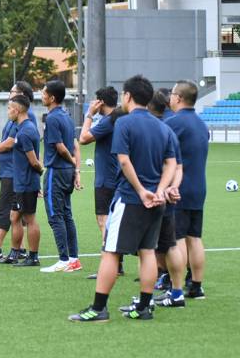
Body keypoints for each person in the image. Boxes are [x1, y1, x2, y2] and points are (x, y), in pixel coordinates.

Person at [69, 75, 177, 322]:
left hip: (130, 198)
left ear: (128, 96)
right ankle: (144, 308)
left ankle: (98, 308)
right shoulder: (163, 127)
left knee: (111, 251)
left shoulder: (124, 124)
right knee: (147, 251)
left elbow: (124, 160)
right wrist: (159, 190)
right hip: (156, 202)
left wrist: (140, 190)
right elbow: (171, 163)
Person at [0, 82, 38, 262]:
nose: (9, 94)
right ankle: (17, 250)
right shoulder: (14, 119)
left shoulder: (26, 121)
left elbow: (12, 142)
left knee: (15, 213)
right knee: (15, 215)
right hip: (11, 172)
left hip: (17, 174)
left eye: (12, 92)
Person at [166, 79, 209, 300]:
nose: (170, 98)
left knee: (179, 238)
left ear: (179, 98)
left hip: (178, 188)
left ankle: (177, 288)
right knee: (195, 237)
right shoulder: (201, 124)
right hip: (199, 187)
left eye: (172, 94)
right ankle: (197, 286)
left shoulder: (173, 124)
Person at [78, 86, 125, 279]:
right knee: (110, 222)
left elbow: (83, 138)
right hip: (114, 176)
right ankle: (117, 264)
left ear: (101, 102)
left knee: (104, 222)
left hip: (106, 178)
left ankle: (110, 264)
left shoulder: (108, 121)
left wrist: (89, 114)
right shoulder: (117, 119)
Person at [39, 80, 83, 273]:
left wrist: (73, 162)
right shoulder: (67, 116)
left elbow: (61, 147)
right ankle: (73, 259)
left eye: (44, 93)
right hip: (66, 172)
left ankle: (64, 259)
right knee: (66, 215)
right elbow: (74, 144)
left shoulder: (52, 119)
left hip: (56, 170)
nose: (41, 95)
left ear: (52, 97)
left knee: (56, 215)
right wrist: (75, 168)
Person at [148, 91, 185, 307]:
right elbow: (177, 166)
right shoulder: (169, 129)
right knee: (169, 245)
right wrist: (172, 187)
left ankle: (145, 299)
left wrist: (162, 189)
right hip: (165, 195)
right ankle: (176, 290)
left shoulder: (145, 128)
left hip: (147, 197)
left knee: (149, 248)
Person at [5, 94, 43, 267]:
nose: (8, 112)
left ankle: (33, 256)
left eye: (9, 108)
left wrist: (40, 172)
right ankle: (15, 253)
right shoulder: (21, 128)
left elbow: (34, 160)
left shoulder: (26, 131)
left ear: (18, 109)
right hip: (20, 181)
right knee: (14, 217)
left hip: (27, 182)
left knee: (29, 219)